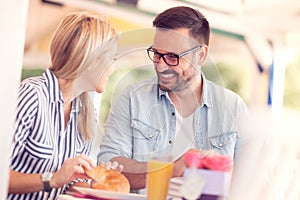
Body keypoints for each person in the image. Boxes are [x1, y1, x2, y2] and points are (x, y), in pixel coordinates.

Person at [98, 6, 247, 192]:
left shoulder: (233, 107)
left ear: (200, 55)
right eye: (157, 54)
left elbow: (248, 180)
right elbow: (107, 164)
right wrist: (168, 170)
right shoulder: (132, 99)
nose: (161, 66)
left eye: (172, 57)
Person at [8, 11, 117, 199]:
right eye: (111, 59)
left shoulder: (86, 111)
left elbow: (70, 181)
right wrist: (51, 180)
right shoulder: (32, 96)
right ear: (89, 59)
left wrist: (95, 184)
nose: (112, 69)